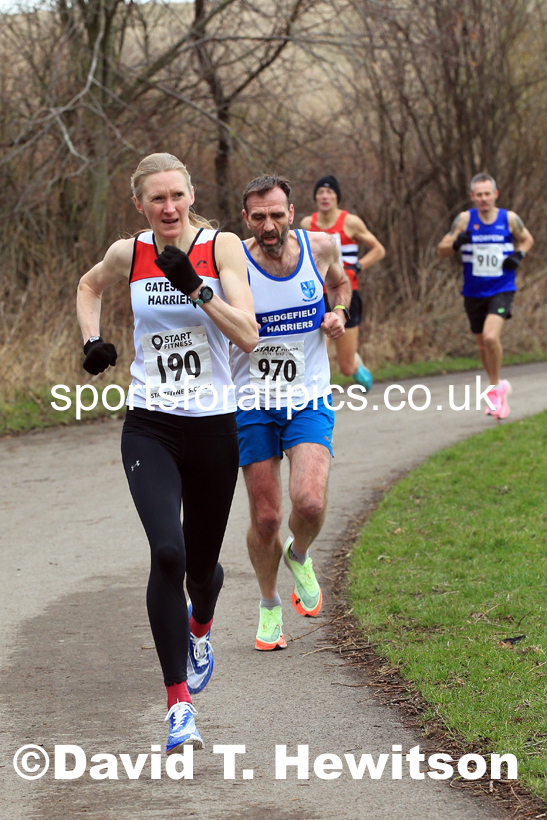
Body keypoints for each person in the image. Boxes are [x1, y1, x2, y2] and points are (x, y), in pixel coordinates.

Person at [76, 153, 258, 753]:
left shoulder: (221, 244)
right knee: (167, 553)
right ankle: (179, 706)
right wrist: (94, 340)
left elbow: (247, 334)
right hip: (150, 424)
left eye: (177, 195)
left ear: (190, 194)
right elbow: (88, 285)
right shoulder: (129, 252)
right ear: (140, 205)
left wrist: (197, 289)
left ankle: (200, 623)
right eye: (157, 199)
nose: (169, 208)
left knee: (202, 572)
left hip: (214, 428)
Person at [230, 174, 351, 650]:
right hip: (252, 402)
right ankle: (269, 607)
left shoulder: (320, 246)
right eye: (258, 216)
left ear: (291, 212)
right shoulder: (232, 262)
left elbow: (341, 286)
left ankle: (299, 555)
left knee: (310, 502)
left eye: (276, 214)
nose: (269, 224)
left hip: (308, 396)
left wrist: (339, 312)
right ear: (246, 219)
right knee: (265, 518)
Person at [437, 173, 534, 419]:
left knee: (491, 337)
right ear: (472, 197)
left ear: (495, 194)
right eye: (478, 195)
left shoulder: (509, 218)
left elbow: (527, 239)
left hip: (502, 288)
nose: (483, 199)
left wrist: (518, 255)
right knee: (482, 344)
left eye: (487, 194)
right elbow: (441, 251)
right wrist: (456, 242)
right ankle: (497, 386)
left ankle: (494, 388)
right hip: (473, 291)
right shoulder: (464, 220)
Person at [301, 175, 385, 391]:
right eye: (320, 192)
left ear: (337, 197)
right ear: (315, 198)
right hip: (317, 295)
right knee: (316, 353)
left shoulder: (350, 222)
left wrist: (358, 266)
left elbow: (378, 249)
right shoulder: (307, 224)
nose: (325, 196)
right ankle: (313, 397)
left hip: (346, 295)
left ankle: (356, 366)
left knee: (346, 368)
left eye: (329, 192)